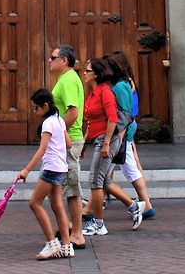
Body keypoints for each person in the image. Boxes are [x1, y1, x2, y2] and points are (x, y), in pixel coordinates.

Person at [17, 88, 74, 259]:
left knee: (34, 203)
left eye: (36, 108)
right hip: (61, 167)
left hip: (51, 168)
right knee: (57, 204)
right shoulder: (58, 120)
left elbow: (42, 149)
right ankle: (66, 245)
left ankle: (52, 243)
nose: (34, 111)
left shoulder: (48, 123)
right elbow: (69, 144)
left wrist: (26, 170)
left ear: (45, 105)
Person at [104, 50, 153, 221]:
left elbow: (123, 113)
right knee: (128, 167)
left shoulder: (121, 85)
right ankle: (146, 204)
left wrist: (117, 137)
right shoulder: (126, 83)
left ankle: (141, 204)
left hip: (122, 131)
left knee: (105, 171)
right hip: (125, 130)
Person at [49, 43, 86, 249]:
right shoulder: (65, 79)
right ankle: (70, 226)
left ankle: (78, 234)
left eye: (53, 57)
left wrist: (57, 132)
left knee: (71, 187)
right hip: (66, 139)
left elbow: (72, 112)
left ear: (64, 60)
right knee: (63, 186)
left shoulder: (69, 80)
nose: (49, 61)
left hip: (68, 140)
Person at [80, 58, 117, 238]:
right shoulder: (93, 93)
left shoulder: (105, 92)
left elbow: (112, 118)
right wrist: (85, 143)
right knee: (97, 180)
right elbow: (91, 122)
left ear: (96, 74)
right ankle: (98, 221)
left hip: (105, 139)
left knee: (96, 180)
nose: (84, 74)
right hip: (97, 139)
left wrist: (107, 143)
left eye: (87, 71)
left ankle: (99, 224)